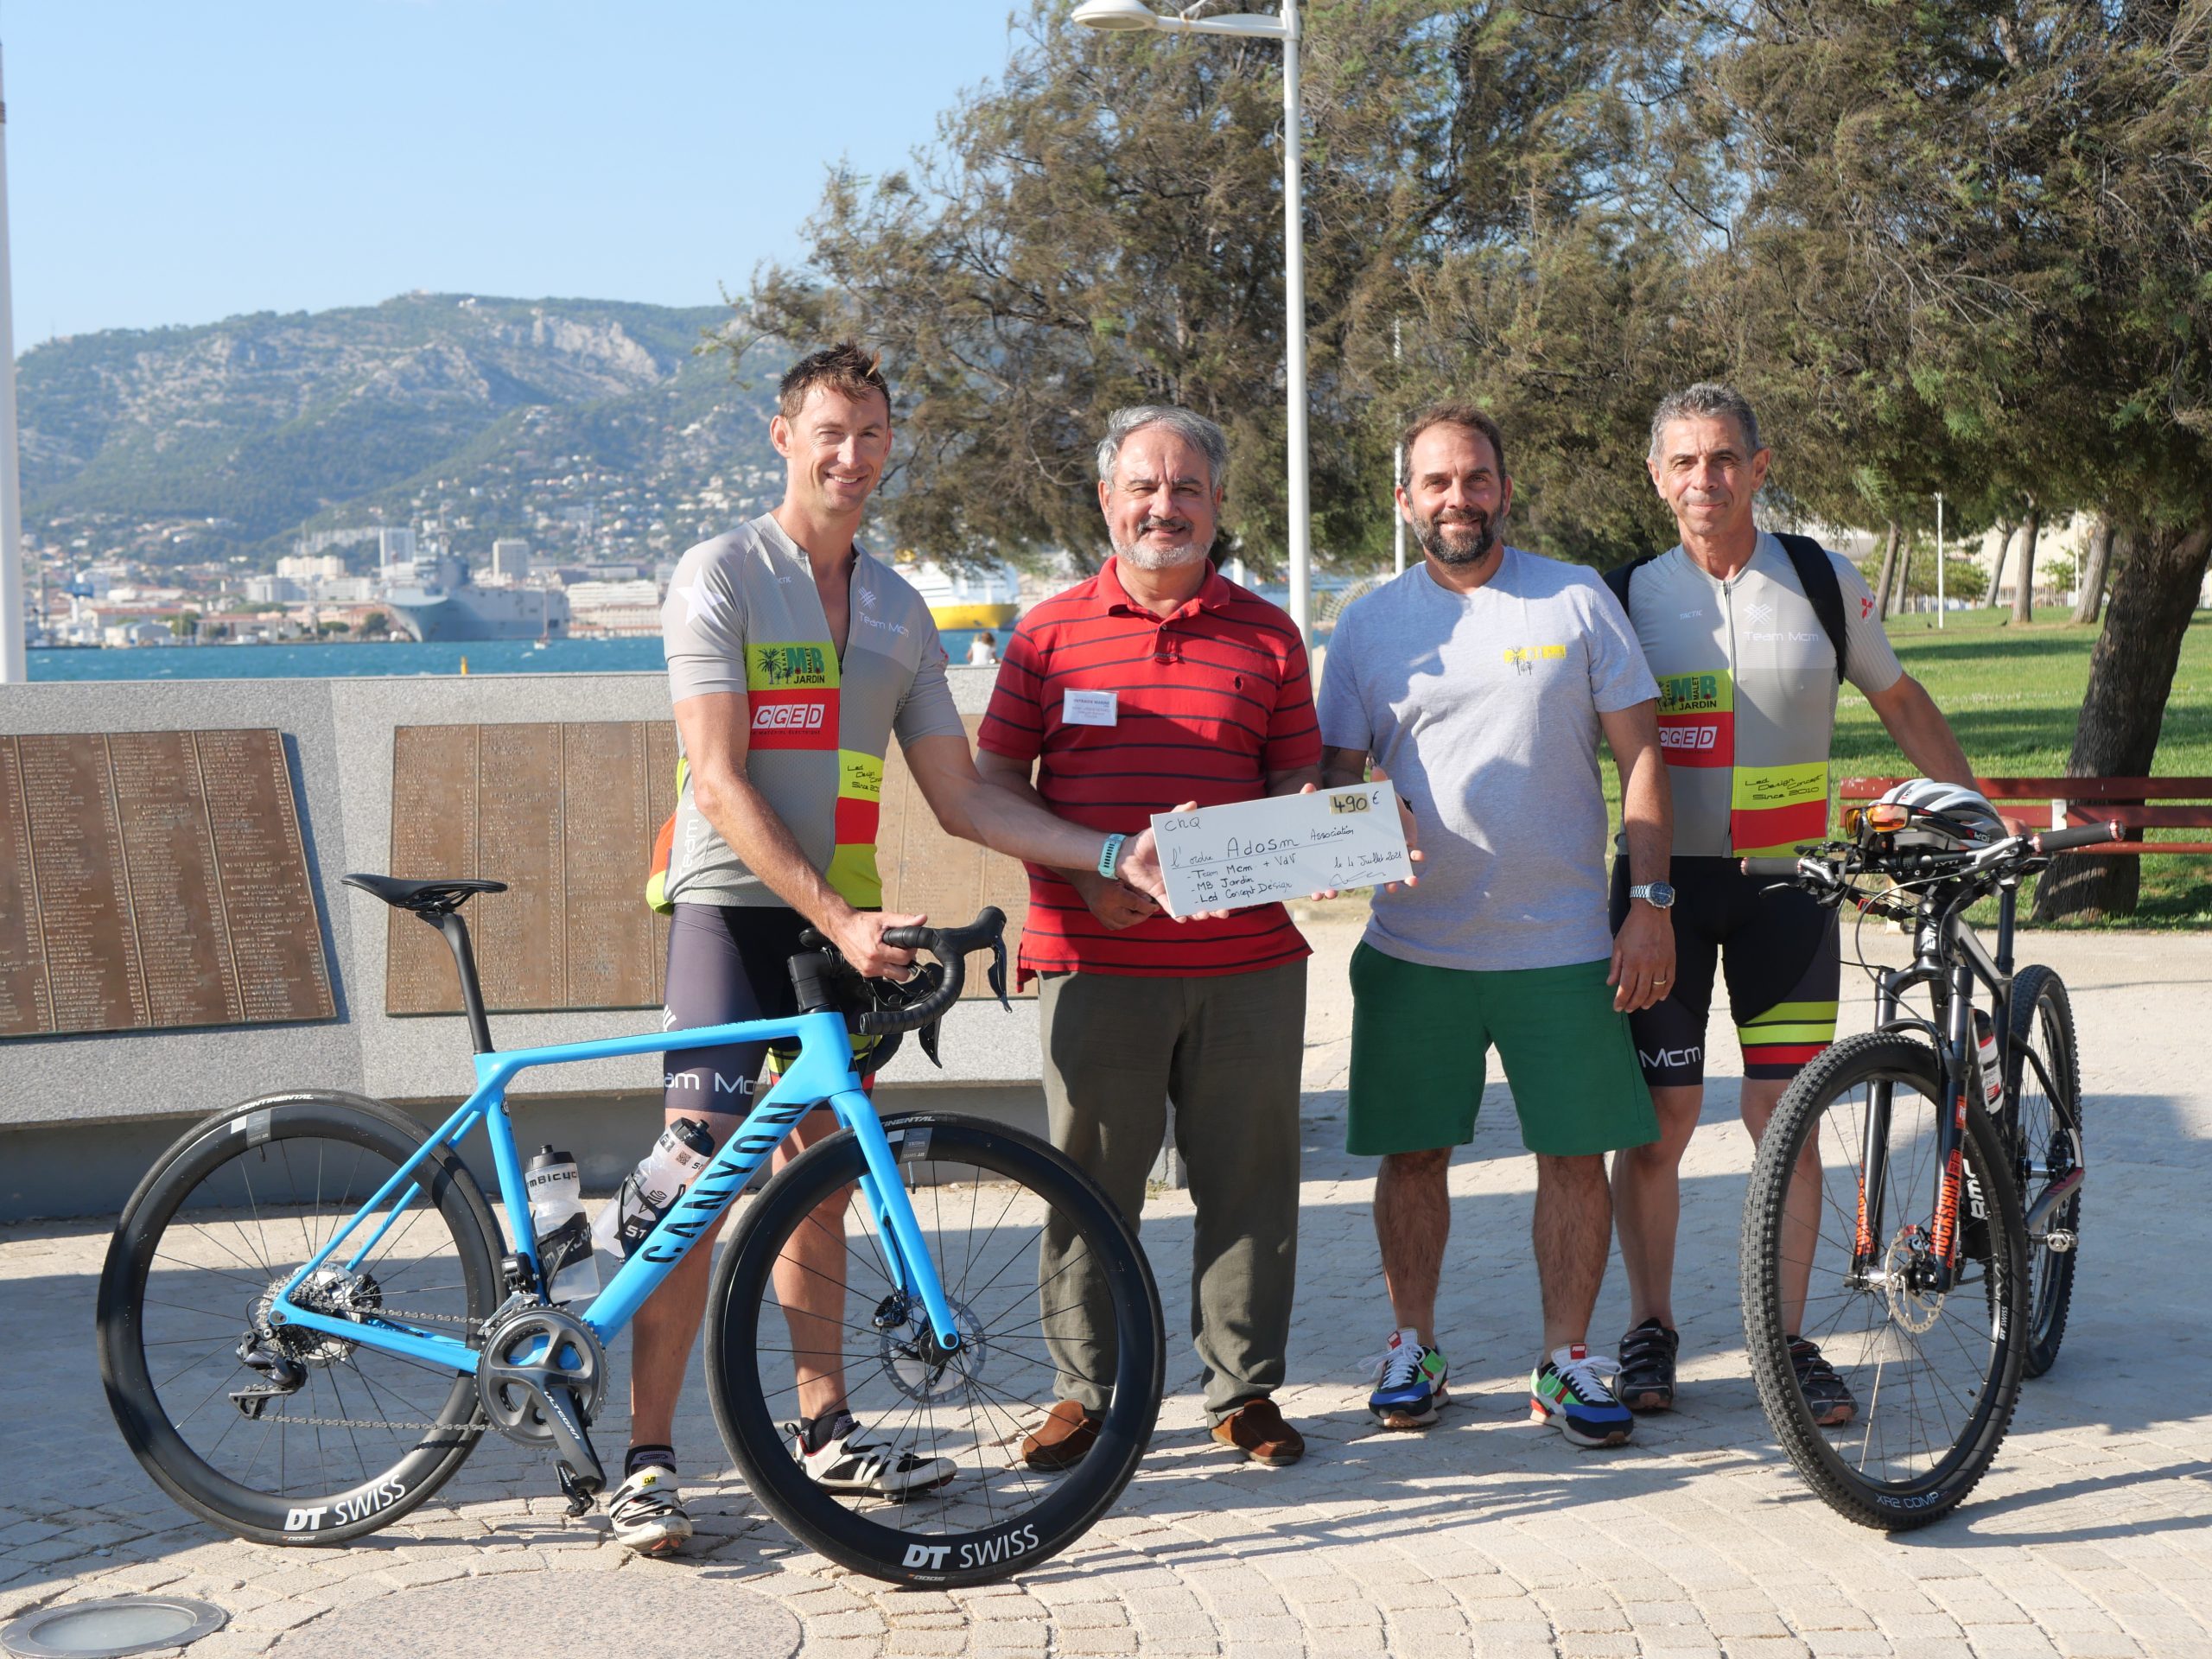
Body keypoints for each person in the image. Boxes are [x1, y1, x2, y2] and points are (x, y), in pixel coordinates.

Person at [621, 343, 1172, 1554]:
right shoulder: (721, 572)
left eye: (872, 434)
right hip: (733, 912)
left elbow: (964, 799)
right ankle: (648, 1459)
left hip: (844, 924)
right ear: (784, 437)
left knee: (824, 1178)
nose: (853, 455)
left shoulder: (898, 610)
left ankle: (825, 1428)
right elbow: (715, 779)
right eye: (831, 431)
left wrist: (1106, 853)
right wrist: (835, 918)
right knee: (697, 1184)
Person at [1605, 382, 2018, 1426]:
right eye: (1684, 461)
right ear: (1656, 478)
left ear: (1759, 466)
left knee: (1784, 1113)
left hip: (1789, 887)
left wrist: (1975, 817)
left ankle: (1788, 1345)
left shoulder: (1821, 580)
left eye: (1724, 458)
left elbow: (1900, 699)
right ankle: (1649, 1327)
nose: (1705, 478)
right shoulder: (1623, 596)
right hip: (1663, 890)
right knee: (1659, 1121)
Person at [1317, 401, 1675, 1447]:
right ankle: (1412, 1345)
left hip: (1562, 947)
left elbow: (1643, 758)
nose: (1458, 498)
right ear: (1405, 500)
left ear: (1504, 489)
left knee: (1572, 1158)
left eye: (1475, 478)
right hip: (1413, 950)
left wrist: (1648, 904)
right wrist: (1351, 818)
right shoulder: (1367, 625)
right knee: (1412, 1158)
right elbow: (1332, 781)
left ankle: (1565, 1359)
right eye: (1436, 482)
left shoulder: (1574, 596)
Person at [974, 404, 1320, 1470]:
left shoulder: (1270, 635)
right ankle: (1085, 1393)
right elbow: (994, 785)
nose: (1163, 506)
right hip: (1093, 959)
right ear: (1106, 500)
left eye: (1186, 489)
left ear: (1216, 504)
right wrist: (1082, 872)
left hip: (1246, 964)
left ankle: (1243, 1393)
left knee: (1250, 1182)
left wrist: (1295, 839)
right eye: (1143, 487)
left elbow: (1297, 780)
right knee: (1087, 1183)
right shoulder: (1045, 634)